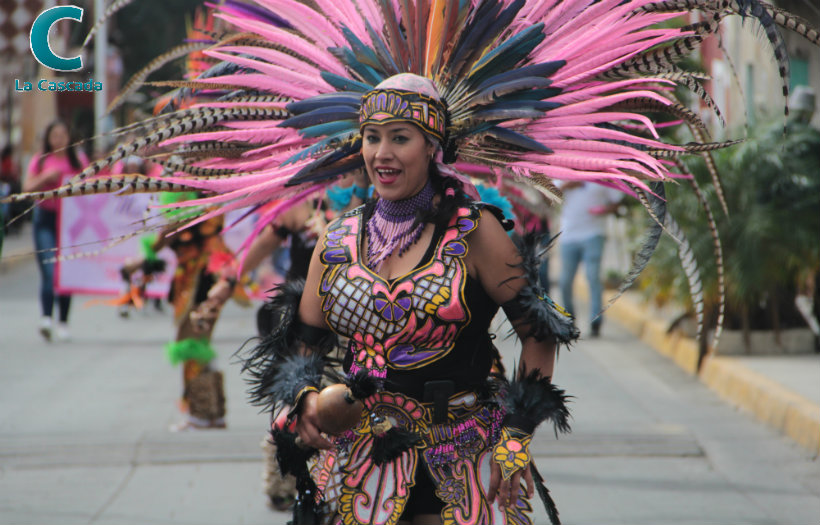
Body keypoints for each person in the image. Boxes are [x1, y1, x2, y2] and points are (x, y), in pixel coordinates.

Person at [245, 74, 578, 525]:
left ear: (432, 149)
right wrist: (303, 397)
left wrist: (516, 436)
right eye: (372, 137)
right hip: (358, 456)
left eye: (400, 138)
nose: (382, 153)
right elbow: (303, 344)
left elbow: (539, 332)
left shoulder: (476, 232)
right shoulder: (338, 238)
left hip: (463, 453)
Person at [23, 121, 88, 342]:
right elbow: (26, 188)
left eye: (63, 135)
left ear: (69, 137)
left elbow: (90, 189)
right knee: (49, 269)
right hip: (45, 219)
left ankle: (63, 321)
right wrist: (45, 178)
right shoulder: (40, 160)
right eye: (55, 135)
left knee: (65, 271)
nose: (59, 139)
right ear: (49, 138)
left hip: (70, 222)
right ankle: (46, 318)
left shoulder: (78, 161)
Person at [557, 181, 622, 338]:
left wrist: (604, 210)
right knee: (565, 281)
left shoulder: (600, 177)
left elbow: (616, 201)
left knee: (593, 277)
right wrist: (566, 186)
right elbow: (547, 197)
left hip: (593, 234)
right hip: (568, 235)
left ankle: (596, 320)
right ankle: (569, 318)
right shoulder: (563, 174)